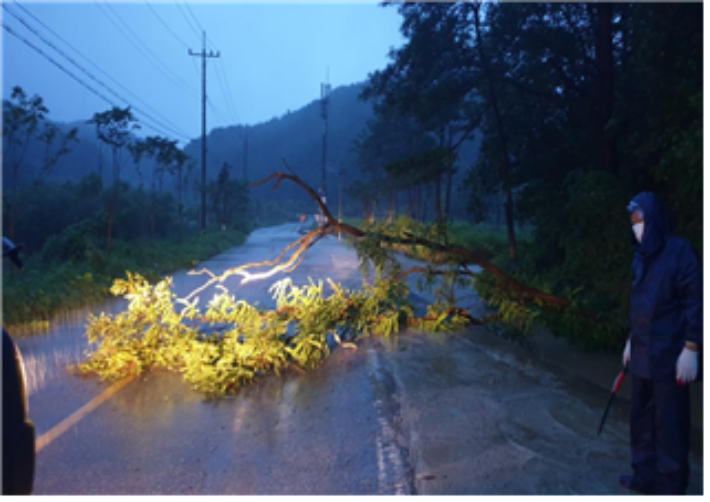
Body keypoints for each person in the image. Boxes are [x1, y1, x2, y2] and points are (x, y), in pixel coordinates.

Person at [620, 191, 702, 495]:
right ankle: (644, 476)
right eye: (632, 222)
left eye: (639, 220)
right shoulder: (640, 257)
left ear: (653, 220)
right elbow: (639, 305)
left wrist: (692, 347)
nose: (635, 227)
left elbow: (696, 301)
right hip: (642, 352)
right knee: (641, 419)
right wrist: (631, 339)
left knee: (670, 425)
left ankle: (670, 486)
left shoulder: (680, 252)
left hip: (671, 355)